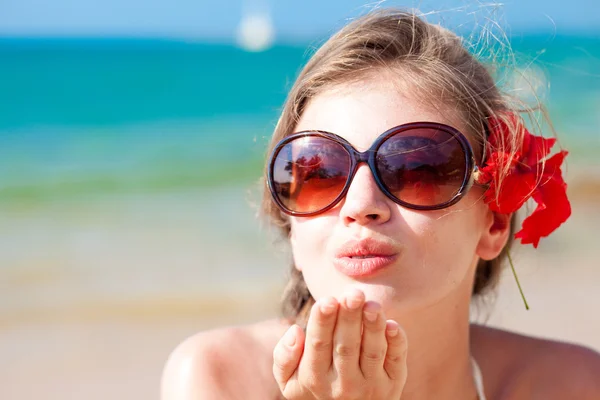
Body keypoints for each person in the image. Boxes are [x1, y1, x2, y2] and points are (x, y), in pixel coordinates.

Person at [161, 9, 600, 400]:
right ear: (290, 224)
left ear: (495, 223)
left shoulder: (571, 385)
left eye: (418, 169)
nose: (360, 205)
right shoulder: (218, 379)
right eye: (320, 173)